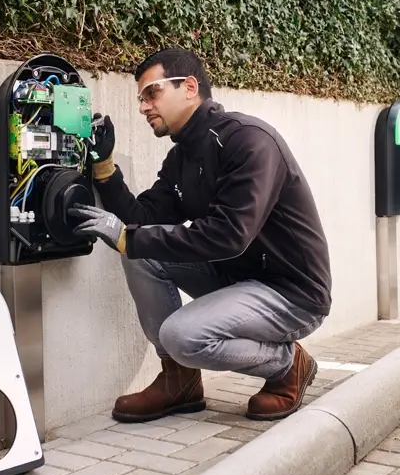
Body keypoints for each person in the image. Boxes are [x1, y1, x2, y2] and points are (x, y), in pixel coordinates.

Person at [68, 48, 332, 423]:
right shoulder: (183, 158)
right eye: (140, 98)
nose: (143, 106)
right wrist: (105, 167)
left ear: (189, 87)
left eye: (151, 93)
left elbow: (228, 236)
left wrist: (129, 237)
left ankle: (288, 364)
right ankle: (180, 382)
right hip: (236, 280)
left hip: (291, 293)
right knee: (140, 251)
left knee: (181, 336)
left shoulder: (250, 142)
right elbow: (142, 219)